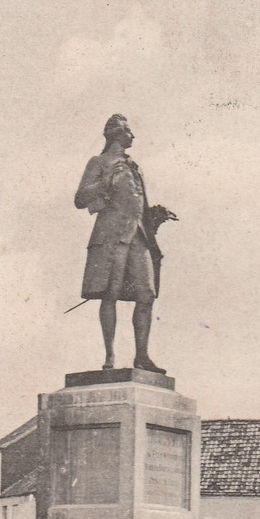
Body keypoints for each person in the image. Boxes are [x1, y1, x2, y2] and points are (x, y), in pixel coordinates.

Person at [74, 114, 176, 372]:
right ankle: (110, 357)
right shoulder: (99, 162)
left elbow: (141, 205)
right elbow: (80, 198)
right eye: (129, 132)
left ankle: (141, 356)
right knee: (111, 292)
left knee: (147, 294)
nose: (133, 137)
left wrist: (156, 216)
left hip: (138, 236)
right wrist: (107, 180)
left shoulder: (135, 167)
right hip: (111, 236)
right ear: (116, 135)